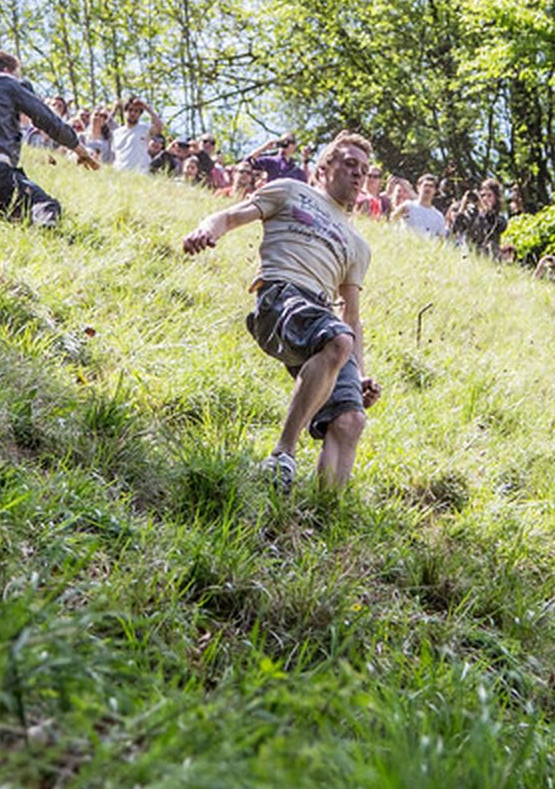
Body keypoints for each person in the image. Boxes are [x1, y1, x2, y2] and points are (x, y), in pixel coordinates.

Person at [180, 132, 381, 493]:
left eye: (363, 170)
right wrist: (204, 230)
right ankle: (282, 455)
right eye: (349, 164)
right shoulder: (291, 190)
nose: (357, 174)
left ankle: (324, 515)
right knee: (337, 339)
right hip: (280, 298)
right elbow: (230, 215)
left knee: (351, 418)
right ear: (323, 168)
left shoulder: (358, 245)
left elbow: (351, 315)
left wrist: (361, 374)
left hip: (324, 318)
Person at [0, 49, 102, 227]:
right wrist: (80, 150)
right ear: (6, 70)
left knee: (13, 219)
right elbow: (47, 119)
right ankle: (50, 246)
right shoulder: (6, 82)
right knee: (47, 208)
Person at [111, 96, 166, 173]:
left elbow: (159, 127)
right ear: (125, 112)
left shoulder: (145, 129)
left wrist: (147, 108)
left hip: (140, 174)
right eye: (130, 110)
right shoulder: (116, 133)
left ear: (140, 114)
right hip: (120, 174)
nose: (133, 113)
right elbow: (113, 155)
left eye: (136, 111)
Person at [392, 174, 449, 238]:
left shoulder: (439, 216)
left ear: (435, 191)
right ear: (418, 187)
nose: (428, 188)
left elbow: (441, 240)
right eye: (425, 185)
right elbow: (392, 219)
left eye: (431, 186)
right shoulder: (408, 206)